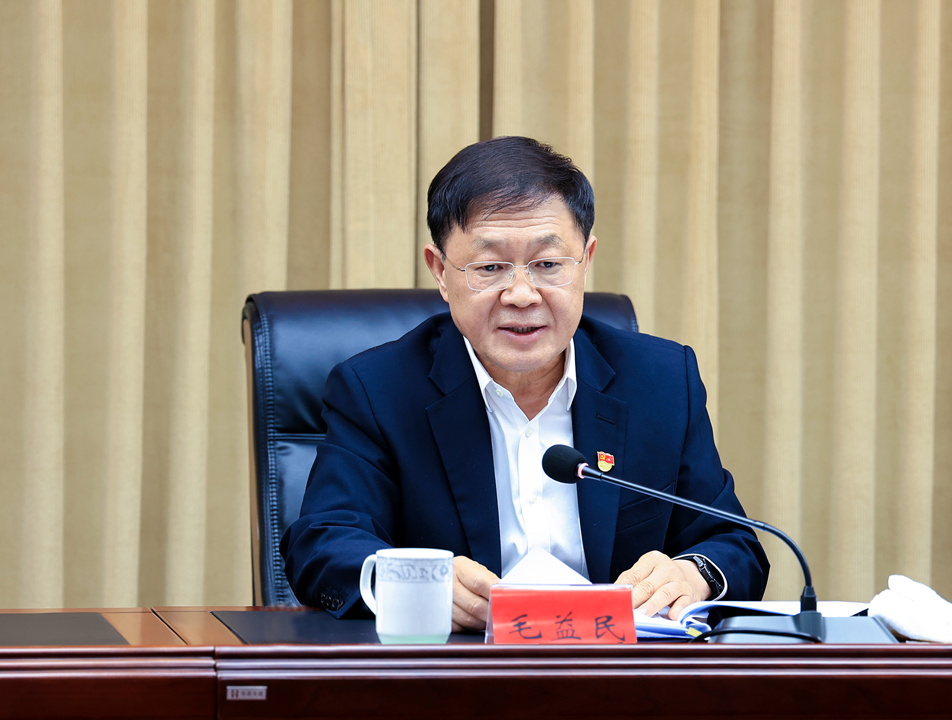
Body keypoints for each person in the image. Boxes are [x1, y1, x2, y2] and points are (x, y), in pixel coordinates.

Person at [281, 136, 769, 630]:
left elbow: (732, 543)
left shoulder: (660, 382)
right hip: (459, 670)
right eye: (490, 267)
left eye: (548, 265)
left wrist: (693, 574)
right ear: (441, 272)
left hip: (618, 670)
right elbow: (322, 543)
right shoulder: (377, 390)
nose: (521, 294)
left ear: (586, 261)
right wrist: (419, 583)